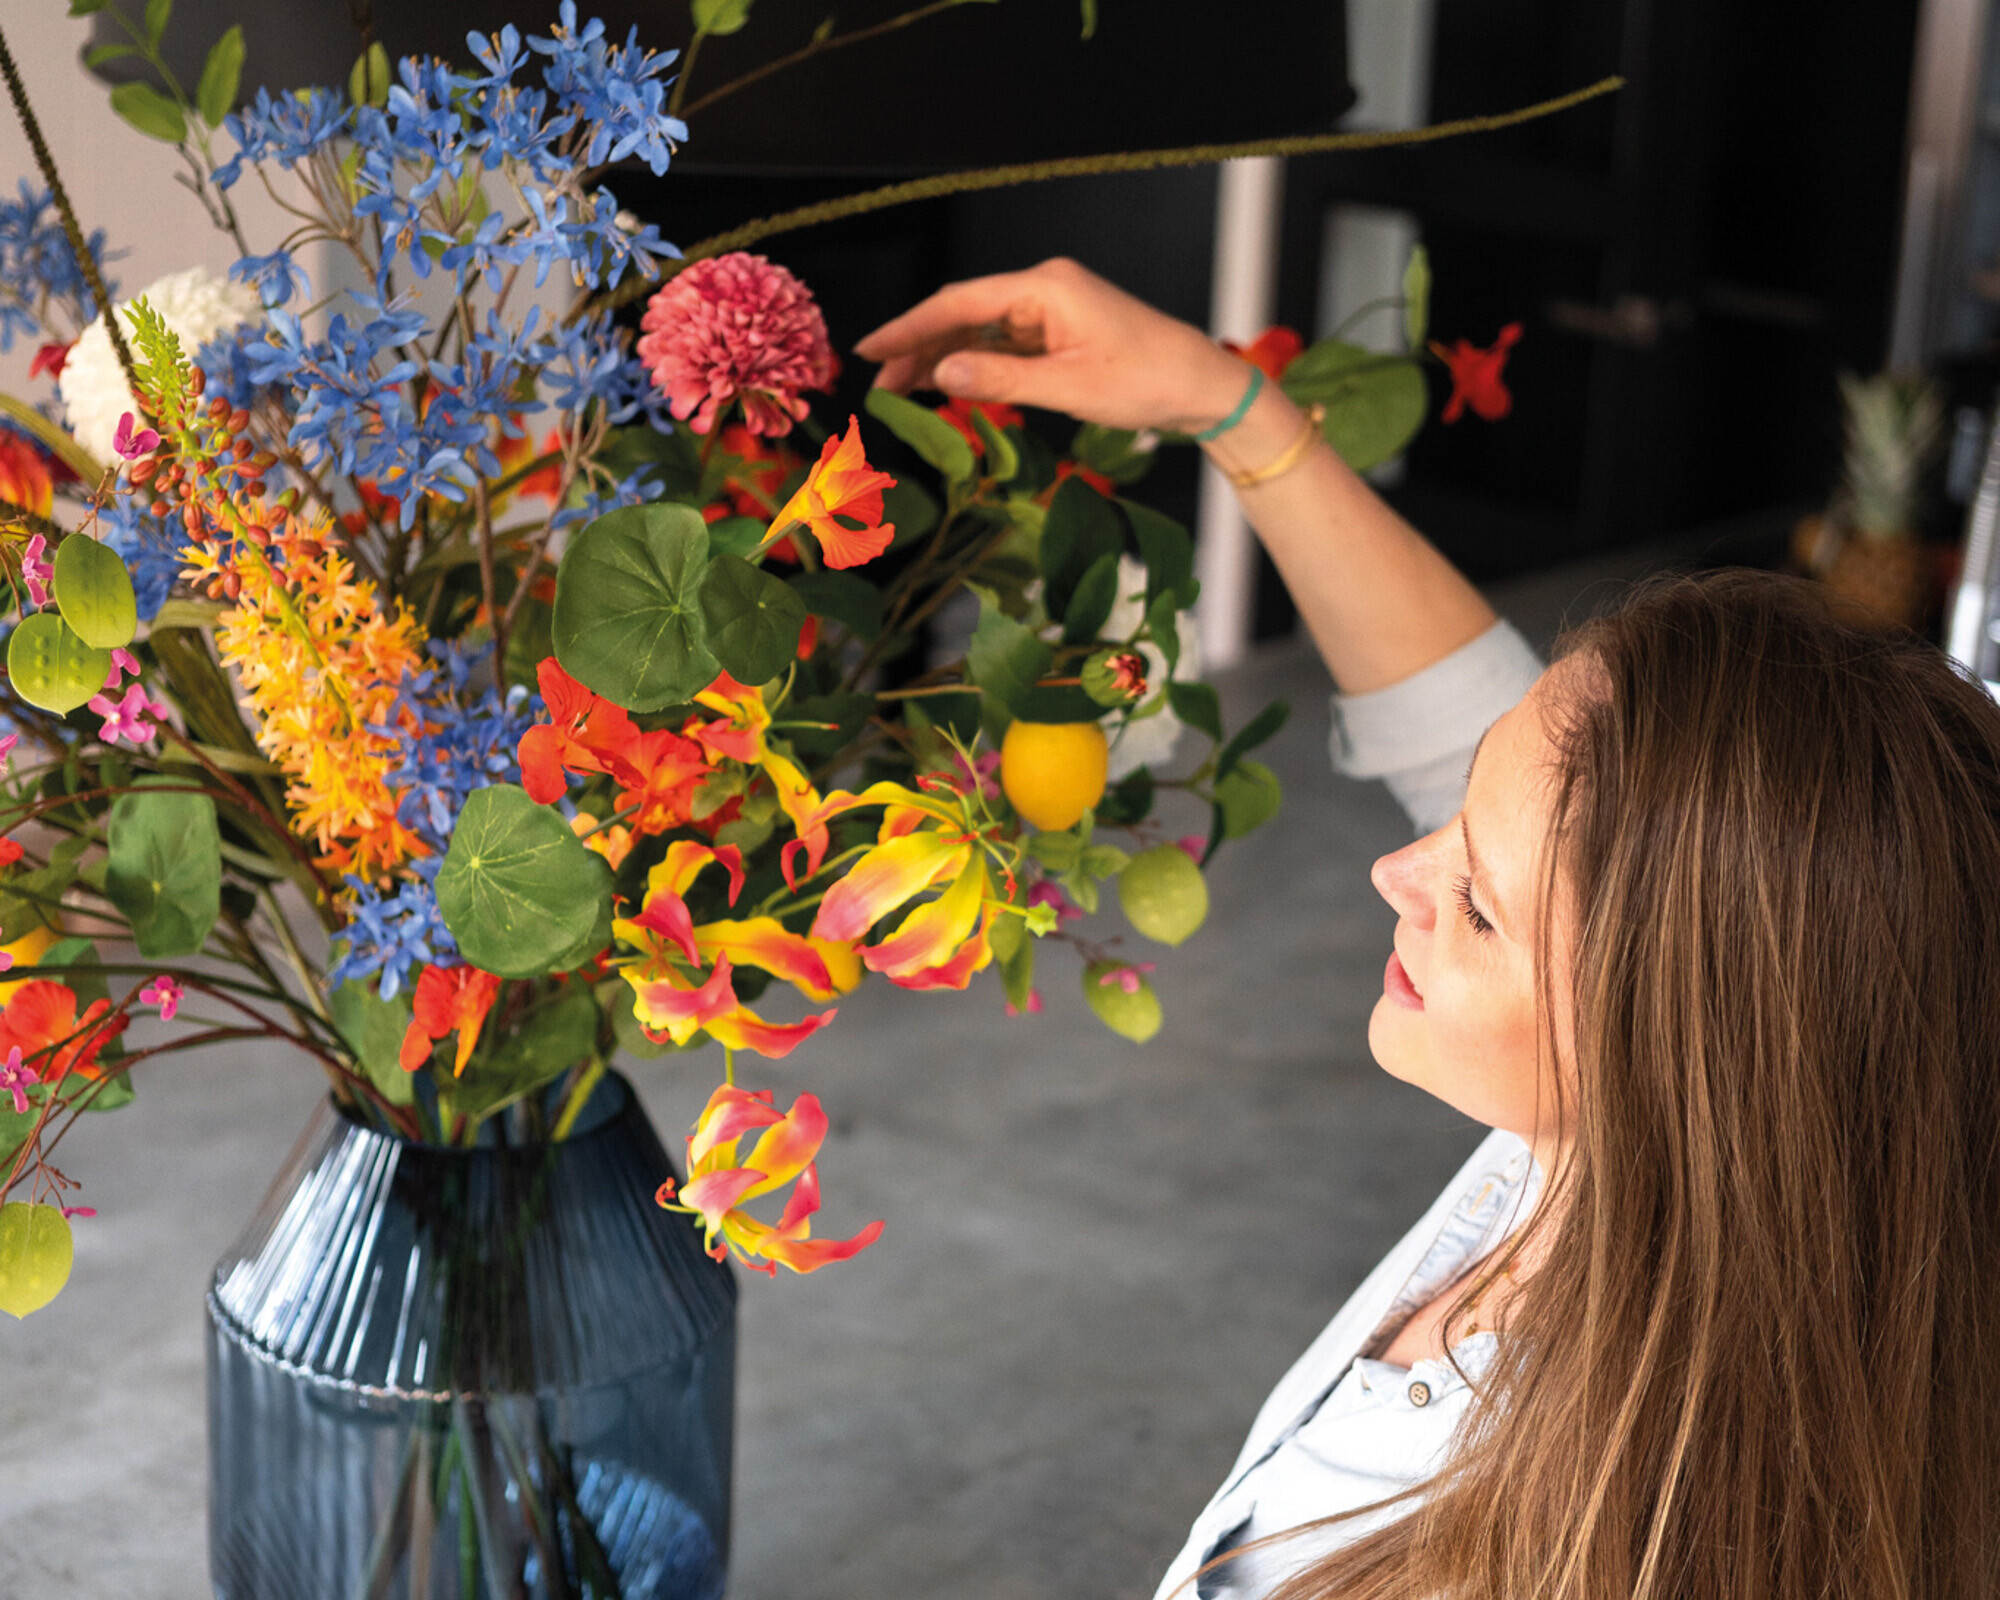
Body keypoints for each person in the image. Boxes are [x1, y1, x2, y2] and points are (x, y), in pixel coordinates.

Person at [855, 259, 2000, 1600]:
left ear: (1681, 1046)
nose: (1398, 869)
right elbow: (1495, 740)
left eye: (1474, 903)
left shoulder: (1561, 1547)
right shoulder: (1621, 1171)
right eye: (1457, 812)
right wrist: (1225, 405)